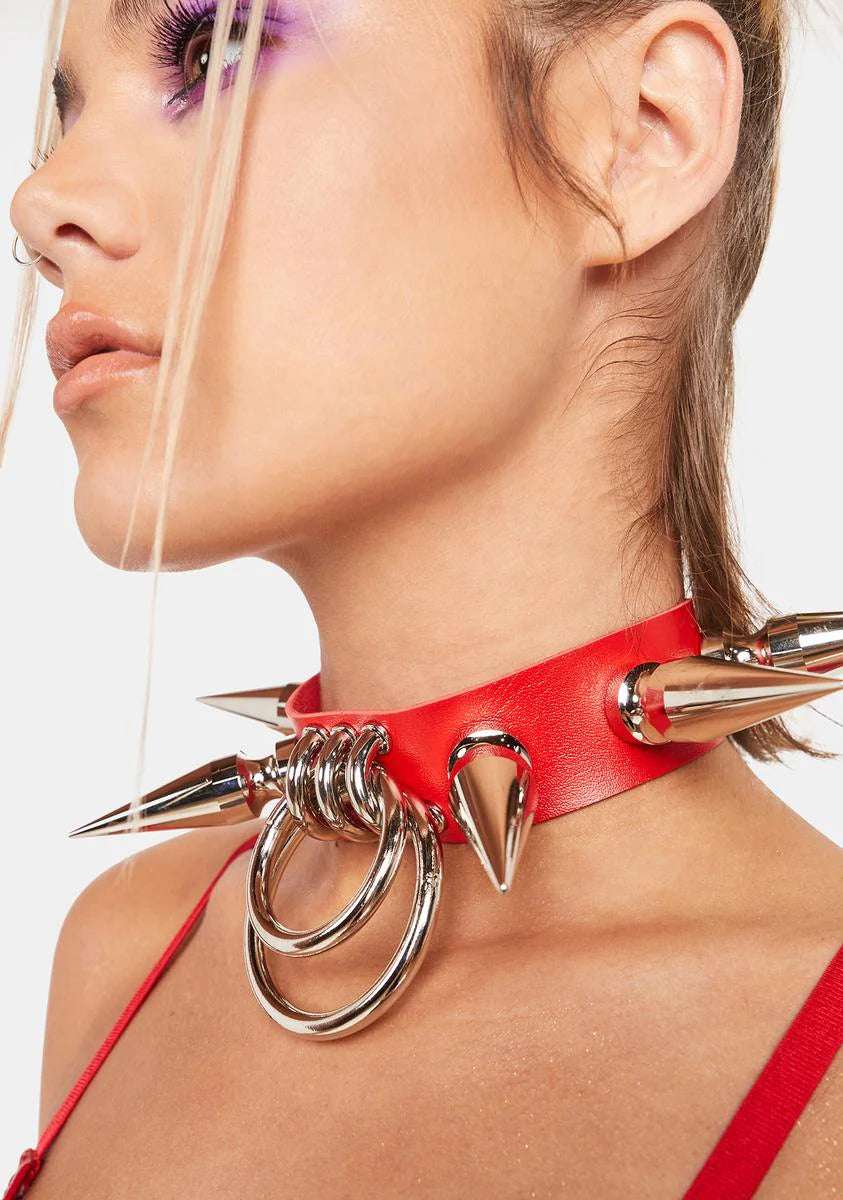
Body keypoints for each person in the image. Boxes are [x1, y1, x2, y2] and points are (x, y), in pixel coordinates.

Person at [3, 0, 842, 1195]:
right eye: (66, 113)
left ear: (642, 130)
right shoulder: (122, 957)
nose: (41, 205)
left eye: (214, 51)